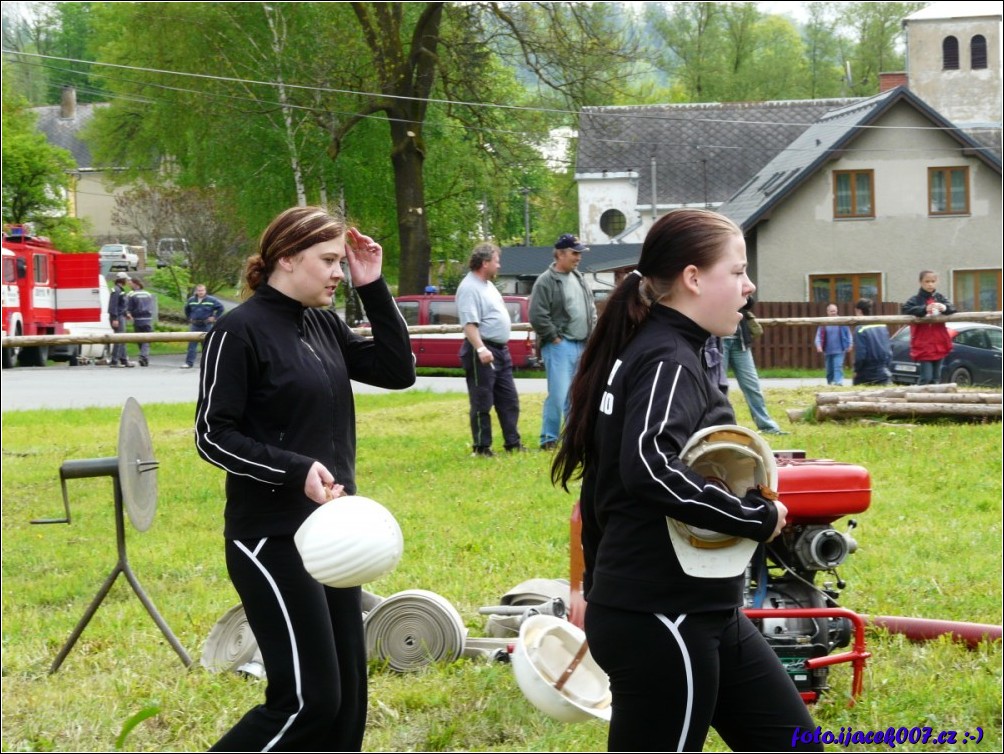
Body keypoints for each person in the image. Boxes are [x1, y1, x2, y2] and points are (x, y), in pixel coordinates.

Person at [552, 208, 819, 753]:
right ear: (694, 279)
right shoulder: (667, 358)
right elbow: (649, 466)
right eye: (737, 271)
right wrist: (754, 517)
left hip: (701, 608)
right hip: (660, 616)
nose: (749, 286)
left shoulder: (673, 349)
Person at [193, 206, 415, 751]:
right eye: (329, 261)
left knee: (345, 708)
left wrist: (374, 286)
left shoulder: (323, 324)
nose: (339, 272)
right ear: (287, 259)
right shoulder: (237, 330)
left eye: (342, 262)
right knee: (306, 702)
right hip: (270, 537)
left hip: (335, 538)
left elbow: (397, 370)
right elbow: (211, 434)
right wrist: (296, 470)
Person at [529, 233, 597, 451]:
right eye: (574, 253)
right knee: (559, 395)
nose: (579, 257)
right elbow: (537, 314)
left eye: (579, 253)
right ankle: (548, 439)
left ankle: (572, 439)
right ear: (560, 253)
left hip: (582, 344)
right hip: (560, 345)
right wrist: (554, 338)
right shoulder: (546, 281)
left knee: (577, 396)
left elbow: (591, 310)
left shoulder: (579, 278)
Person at [455, 242, 523, 456]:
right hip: (482, 351)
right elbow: (469, 324)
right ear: (485, 263)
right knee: (482, 400)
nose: (499, 265)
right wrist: (481, 349)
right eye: (496, 261)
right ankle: (482, 447)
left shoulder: (488, 285)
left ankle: (513, 443)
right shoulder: (469, 287)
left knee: (509, 399)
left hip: (500, 350)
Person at [721, 296, 788, 435]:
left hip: (740, 343)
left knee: (752, 386)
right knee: (718, 387)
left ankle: (768, 426)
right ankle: (720, 426)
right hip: (718, 341)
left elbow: (749, 302)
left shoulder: (737, 282)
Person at [902, 270, 956, 385]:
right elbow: (906, 309)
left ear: (937, 282)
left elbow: (952, 308)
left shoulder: (940, 297)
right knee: (926, 377)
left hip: (939, 342)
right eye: (927, 281)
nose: (930, 284)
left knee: (936, 378)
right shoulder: (915, 300)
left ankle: (934, 400)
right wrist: (924, 309)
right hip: (923, 344)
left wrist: (944, 307)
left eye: (933, 281)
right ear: (921, 282)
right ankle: (919, 398)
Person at [182, 283, 224, 369]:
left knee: (207, 345)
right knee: (192, 345)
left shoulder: (211, 300)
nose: (201, 292)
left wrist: (215, 317)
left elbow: (221, 308)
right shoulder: (191, 300)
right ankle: (189, 363)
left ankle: (208, 364)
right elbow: (187, 309)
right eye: (199, 290)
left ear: (205, 291)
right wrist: (189, 317)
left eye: (202, 290)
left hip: (206, 325)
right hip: (195, 325)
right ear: (196, 291)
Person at [852, 298, 892, 386]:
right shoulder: (882, 326)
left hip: (867, 372)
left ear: (858, 311)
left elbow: (860, 354)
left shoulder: (860, 329)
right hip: (883, 370)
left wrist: (856, 370)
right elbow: (888, 350)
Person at [814, 303, 853, 385]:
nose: (833, 313)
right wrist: (818, 345)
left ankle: (838, 383)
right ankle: (830, 382)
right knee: (829, 369)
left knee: (838, 367)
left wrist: (850, 344)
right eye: (831, 311)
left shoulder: (842, 322)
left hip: (839, 350)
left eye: (835, 311)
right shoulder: (824, 323)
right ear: (827, 312)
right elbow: (818, 335)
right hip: (827, 350)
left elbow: (848, 334)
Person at [126, 277, 155, 367]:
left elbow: (129, 307)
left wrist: (128, 314)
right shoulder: (148, 294)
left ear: (136, 284)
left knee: (139, 339)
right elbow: (151, 306)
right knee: (147, 339)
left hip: (137, 319)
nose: (129, 285)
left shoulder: (132, 295)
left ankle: (143, 356)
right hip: (147, 319)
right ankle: (144, 357)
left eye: (131, 283)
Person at [108, 271, 134, 368]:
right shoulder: (116, 290)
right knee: (119, 339)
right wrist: (114, 318)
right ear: (122, 280)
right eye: (126, 280)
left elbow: (121, 305)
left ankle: (124, 360)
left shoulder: (120, 290)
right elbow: (113, 305)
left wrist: (126, 313)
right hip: (117, 317)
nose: (127, 281)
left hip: (121, 316)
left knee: (122, 339)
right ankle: (114, 361)